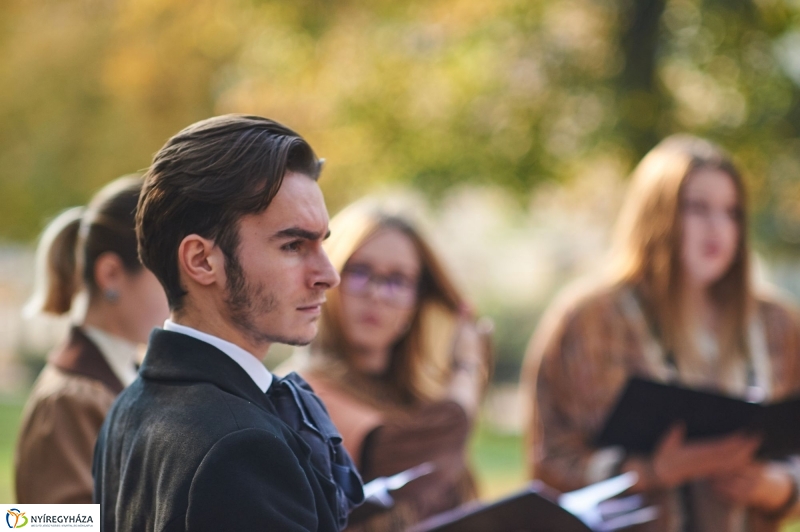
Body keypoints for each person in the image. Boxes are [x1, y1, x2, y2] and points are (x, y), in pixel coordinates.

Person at [93, 115, 364, 532]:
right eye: (293, 245)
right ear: (202, 260)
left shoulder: (129, 407)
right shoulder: (241, 447)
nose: (328, 274)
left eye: (321, 244)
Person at [522, 134, 800, 532]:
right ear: (656, 213)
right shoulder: (590, 320)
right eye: (697, 208)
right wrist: (648, 471)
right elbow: (547, 462)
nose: (717, 227)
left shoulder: (779, 325)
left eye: (732, 212)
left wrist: (775, 487)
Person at [279, 200, 492, 532]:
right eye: (360, 272)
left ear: (417, 300)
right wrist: (466, 365)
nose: (377, 294)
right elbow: (423, 459)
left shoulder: (420, 396)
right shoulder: (299, 392)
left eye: (397, 280)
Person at [15, 176, 169, 504]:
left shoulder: (131, 372)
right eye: (166, 276)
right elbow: (37, 526)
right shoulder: (68, 400)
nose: (181, 293)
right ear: (111, 274)